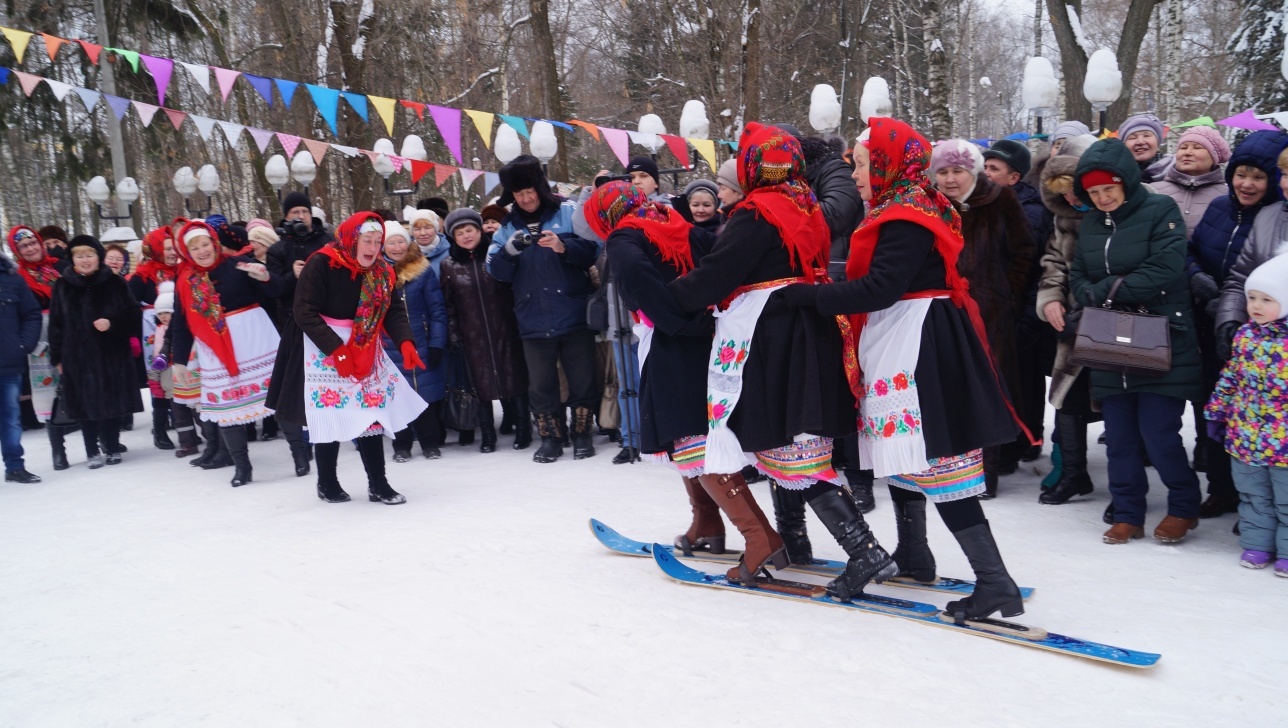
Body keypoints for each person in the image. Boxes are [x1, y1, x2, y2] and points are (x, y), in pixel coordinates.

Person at [783, 117, 1027, 623]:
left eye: (862, 164)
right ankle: (915, 552)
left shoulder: (905, 214)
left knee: (935, 461)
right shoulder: (908, 203)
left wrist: (808, 297)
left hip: (918, 342)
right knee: (904, 451)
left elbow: (881, 288)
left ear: (888, 163)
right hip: (908, 334)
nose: (854, 175)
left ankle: (994, 582)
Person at [668, 123, 884, 600]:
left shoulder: (756, 212)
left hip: (772, 336)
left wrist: (668, 299)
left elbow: (719, 272)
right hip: (804, 329)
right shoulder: (804, 203)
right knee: (788, 442)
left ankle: (864, 550)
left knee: (791, 448)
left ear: (751, 166)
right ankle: (797, 540)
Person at [1069, 138, 1204, 545]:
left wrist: (1105, 291)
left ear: (1125, 181)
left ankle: (1184, 506)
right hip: (1108, 342)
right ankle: (1128, 512)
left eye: (1108, 188)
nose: (1102, 198)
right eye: (1093, 192)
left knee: (1159, 434)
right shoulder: (1091, 223)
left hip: (1160, 337)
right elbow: (1078, 276)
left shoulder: (1160, 209)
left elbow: (1165, 267)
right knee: (1120, 438)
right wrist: (1093, 292)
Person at [583, 181, 723, 552]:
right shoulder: (674, 221)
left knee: (687, 436)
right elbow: (717, 263)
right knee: (698, 433)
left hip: (671, 338)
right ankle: (706, 522)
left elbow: (642, 286)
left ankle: (747, 532)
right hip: (708, 333)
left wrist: (678, 324)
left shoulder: (624, 237)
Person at [266, 212, 428, 505]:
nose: (373, 248)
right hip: (322, 343)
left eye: (377, 241)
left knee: (370, 414)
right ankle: (327, 483)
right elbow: (304, 311)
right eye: (367, 240)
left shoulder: (382, 271)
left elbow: (391, 309)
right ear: (352, 238)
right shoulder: (322, 263)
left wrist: (405, 342)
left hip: (365, 343)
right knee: (330, 414)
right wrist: (335, 349)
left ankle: (378, 484)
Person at [1187, 130, 1288, 518]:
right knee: (1220, 407)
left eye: (1258, 176)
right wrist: (1217, 305)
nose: (1247, 183)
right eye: (1241, 174)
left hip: (1267, 335)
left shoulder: (1269, 215)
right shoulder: (1223, 209)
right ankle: (1226, 489)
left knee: (1271, 424)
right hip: (1227, 329)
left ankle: (1268, 505)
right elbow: (1223, 268)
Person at [932, 139, 1036, 495]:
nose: (950, 179)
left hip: (990, 313)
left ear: (973, 171)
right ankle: (953, 468)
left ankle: (985, 473)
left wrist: (1007, 293)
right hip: (943, 309)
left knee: (988, 387)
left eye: (958, 171)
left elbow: (1024, 250)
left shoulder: (999, 199)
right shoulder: (931, 204)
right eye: (943, 172)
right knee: (951, 386)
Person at [488, 154, 601, 463]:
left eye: (530, 192)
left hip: (573, 312)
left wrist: (564, 247)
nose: (525, 199)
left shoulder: (568, 211)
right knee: (540, 384)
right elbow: (496, 271)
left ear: (540, 188)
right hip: (532, 318)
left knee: (582, 378)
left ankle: (582, 434)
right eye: (518, 194)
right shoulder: (506, 226)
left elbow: (593, 249)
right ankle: (551, 437)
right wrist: (509, 251)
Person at [170, 220, 283, 487]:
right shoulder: (185, 282)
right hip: (215, 349)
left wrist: (266, 277)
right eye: (195, 248)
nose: (202, 251)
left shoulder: (237, 264)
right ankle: (242, 466)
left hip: (253, 339)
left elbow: (277, 290)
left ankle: (299, 452)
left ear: (214, 243)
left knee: (278, 396)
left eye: (205, 244)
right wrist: (179, 361)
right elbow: (181, 323)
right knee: (226, 408)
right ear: (187, 252)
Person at [1205, 251, 1288, 576]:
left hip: (1284, 444)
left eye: (1267, 299)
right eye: (1251, 297)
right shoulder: (1245, 335)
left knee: (1285, 499)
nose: (1255, 306)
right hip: (1246, 437)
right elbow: (1230, 377)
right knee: (1254, 496)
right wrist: (1217, 412)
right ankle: (1257, 545)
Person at [1036, 133, 1104, 505]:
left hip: (1118, 321)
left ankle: (1128, 487)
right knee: (1067, 400)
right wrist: (1051, 299)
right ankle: (1075, 472)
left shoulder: (1128, 208)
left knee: (1122, 407)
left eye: (1076, 190)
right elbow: (1054, 262)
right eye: (1063, 192)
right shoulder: (1064, 218)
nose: (1072, 199)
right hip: (1076, 325)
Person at [984, 138, 1054, 468]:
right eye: (984, 166)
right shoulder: (984, 204)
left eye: (994, 168)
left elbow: (1034, 271)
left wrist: (1026, 319)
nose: (986, 173)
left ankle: (1021, 444)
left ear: (1014, 177)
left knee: (1022, 381)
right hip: (994, 311)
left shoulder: (1030, 213)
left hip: (1020, 313)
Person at [47, 236, 143, 469]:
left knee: (113, 401)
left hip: (111, 354)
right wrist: (57, 357)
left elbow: (133, 315)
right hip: (77, 356)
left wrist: (112, 323)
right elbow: (56, 324)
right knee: (84, 403)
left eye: (89, 254)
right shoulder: (62, 285)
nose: (85, 260)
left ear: (98, 257)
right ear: (72, 259)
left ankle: (112, 446)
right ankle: (91, 450)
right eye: (79, 256)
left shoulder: (115, 282)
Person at [440, 208, 531, 451]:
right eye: (460, 233)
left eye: (470, 230)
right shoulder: (448, 265)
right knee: (480, 385)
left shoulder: (495, 255)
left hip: (505, 327)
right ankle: (488, 435)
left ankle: (524, 429)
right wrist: (453, 333)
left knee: (515, 378)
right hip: (472, 334)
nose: (466, 236)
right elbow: (448, 304)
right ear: (453, 237)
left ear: (479, 231)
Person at [265, 192, 332, 475]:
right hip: (291, 327)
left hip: (327, 323)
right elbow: (272, 289)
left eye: (304, 211)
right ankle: (300, 449)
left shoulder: (327, 241)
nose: (300, 216)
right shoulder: (278, 249)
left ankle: (327, 436)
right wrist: (291, 275)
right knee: (293, 389)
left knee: (327, 386)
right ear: (286, 216)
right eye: (294, 212)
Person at [380, 220, 448, 460]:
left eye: (401, 241)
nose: (397, 247)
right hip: (390, 345)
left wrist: (437, 342)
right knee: (396, 396)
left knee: (425, 394)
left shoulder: (422, 270)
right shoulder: (376, 274)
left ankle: (430, 443)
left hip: (422, 340)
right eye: (391, 243)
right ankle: (401, 445)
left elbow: (437, 310)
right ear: (383, 247)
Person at [1215, 146, 1288, 358]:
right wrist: (1230, 320)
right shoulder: (1268, 216)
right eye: (1284, 175)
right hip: (1263, 354)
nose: (1285, 184)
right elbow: (1240, 279)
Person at [6, 226, 64, 435]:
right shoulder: (16, 276)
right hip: (39, 330)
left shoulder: (60, 266)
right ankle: (51, 423)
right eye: (24, 246)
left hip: (68, 326)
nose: (30, 249)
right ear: (17, 251)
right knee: (45, 375)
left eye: (33, 243)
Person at [1, 247, 43, 483]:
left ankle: (15, 466)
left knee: (10, 419)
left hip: (7, 362)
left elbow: (32, 314)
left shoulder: (11, 278)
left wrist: (23, 344)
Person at [1151, 126, 1231, 240]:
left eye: (1197, 147)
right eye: (1183, 147)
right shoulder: (1153, 191)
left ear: (1214, 157)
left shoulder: (1228, 196)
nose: (1187, 153)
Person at [1117, 113, 1171, 183]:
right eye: (1133, 137)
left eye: (1146, 136)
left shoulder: (1176, 172)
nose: (1140, 142)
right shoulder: (1115, 176)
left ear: (1158, 144)